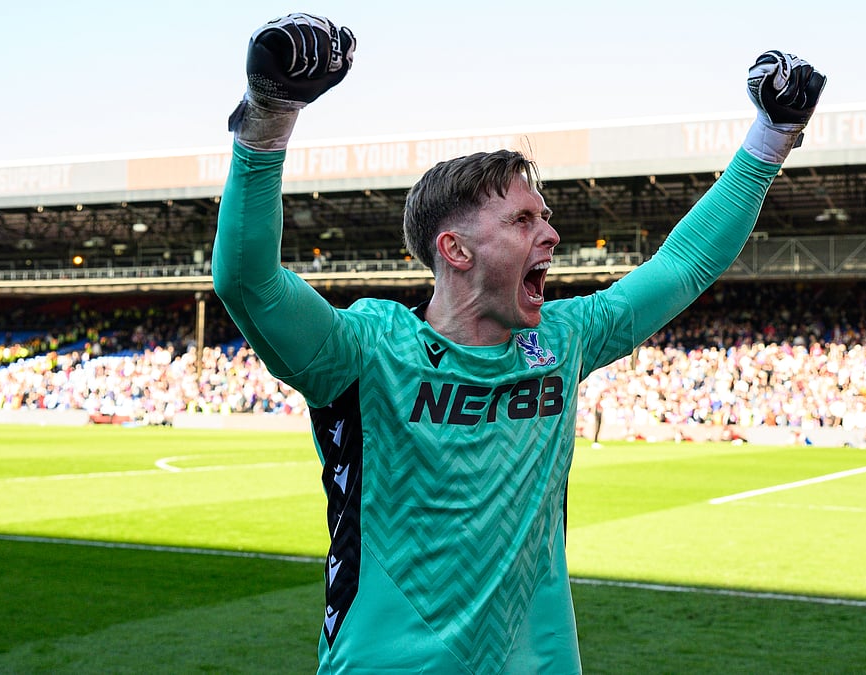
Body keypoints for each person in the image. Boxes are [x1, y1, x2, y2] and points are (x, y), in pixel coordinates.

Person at [212, 12, 825, 674]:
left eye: (547, 217)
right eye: (524, 220)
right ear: (456, 248)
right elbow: (249, 284)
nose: (551, 236)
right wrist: (270, 116)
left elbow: (684, 267)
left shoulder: (563, 339)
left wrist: (771, 137)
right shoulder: (365, 353)